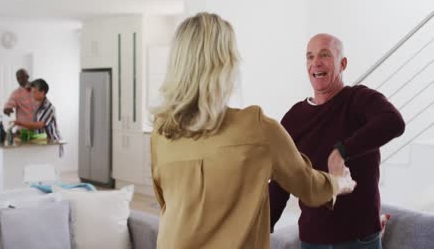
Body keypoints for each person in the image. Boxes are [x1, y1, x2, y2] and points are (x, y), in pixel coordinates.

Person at [150, 13, 356, 249]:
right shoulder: (255, 127)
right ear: (225, 63)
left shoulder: (161, 132)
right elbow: (307, 185)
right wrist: (340, 182)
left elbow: (169, 203)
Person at [269, 33, 406, 249]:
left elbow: (394, 122)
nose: (316, 63)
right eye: (310, 56)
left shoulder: (360, 100)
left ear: (342, 63)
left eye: (325, 55)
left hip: (360, 238)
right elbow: (281, 180)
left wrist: (342, 151)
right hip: (312, 240)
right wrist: (263, 227)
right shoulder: (294, 117)